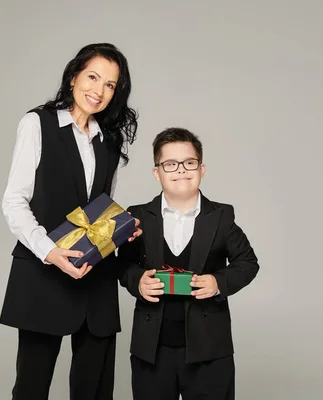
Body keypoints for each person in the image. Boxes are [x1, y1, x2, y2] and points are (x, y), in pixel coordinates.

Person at [0, 43, 141, 400]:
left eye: (110, 85)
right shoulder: (37, 123)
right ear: (74, 75)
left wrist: (121, 230)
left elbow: (99, 209)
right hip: (44, 273)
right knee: (31, 387)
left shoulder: (110, 139)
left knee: (94, 390)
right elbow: (14, 201)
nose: (99, 90)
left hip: (97, 279)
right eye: (93, 77)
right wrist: (50, 252)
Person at [118, 128, 260, 400]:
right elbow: (122, 265)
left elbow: (248, 262)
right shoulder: (137, 216)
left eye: (189, 163)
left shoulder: (221, 216)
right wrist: (137, 281)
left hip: (210, 349)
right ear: (156, 172)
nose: (180, 170)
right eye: (170, 164)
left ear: (202, 169)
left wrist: (218, 282)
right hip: (151, 349)